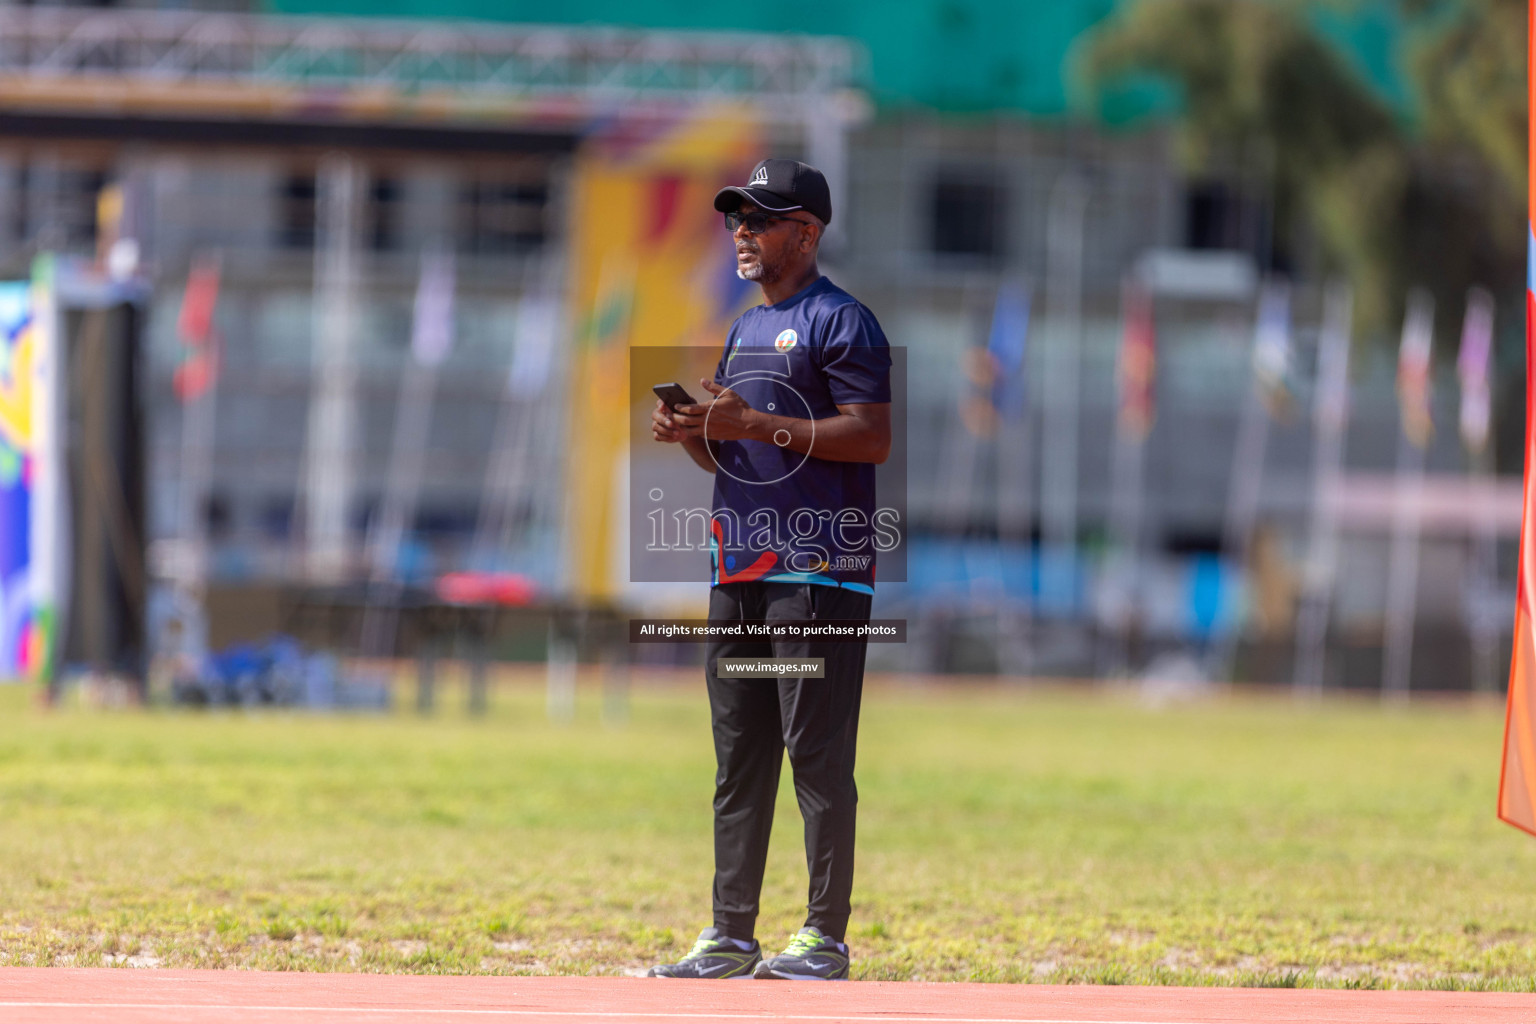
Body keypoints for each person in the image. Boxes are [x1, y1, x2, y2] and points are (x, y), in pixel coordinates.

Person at [647, 159, 892, 981]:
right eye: (734, 219)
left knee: (814, 752)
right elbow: (742, 450)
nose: (742, 233)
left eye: (760, 218)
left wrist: (755, 417)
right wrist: (693, 432)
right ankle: (729, 936)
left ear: (808, 231)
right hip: (742, 573)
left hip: (817, 574)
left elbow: (869, 436)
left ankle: (824, 938)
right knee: (741, 752)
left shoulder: (843, 322)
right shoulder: (747, 328)